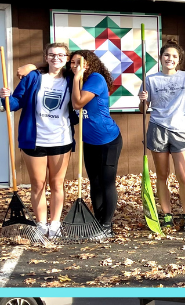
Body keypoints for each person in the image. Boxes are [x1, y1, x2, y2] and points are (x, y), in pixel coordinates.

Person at [0, 43, 76, 239]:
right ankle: (42, 224)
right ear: (46, 57)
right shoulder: (34, 77)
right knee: (38, 184)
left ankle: (55, 223)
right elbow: (17, 102)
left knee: (57, 183)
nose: (56, 58)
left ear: (66, 58)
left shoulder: (71, 79)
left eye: (60, 55)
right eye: (51, 54)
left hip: (61, 138)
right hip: (34, 139)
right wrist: (6, 98)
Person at [139, 39, 185, 231]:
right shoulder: (150, 79)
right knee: (162, 175)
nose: (170, 59)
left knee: (183, 175)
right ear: (160, 57)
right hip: (158, 128)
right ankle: (166, 214)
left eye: (174, 56)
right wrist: (143, 100)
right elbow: (143, 108)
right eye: (167, 55)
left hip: (181, 130)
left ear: (179, 60)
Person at [69, 50, 123, 237]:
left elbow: (78, 103)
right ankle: (99, 223)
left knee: (107, 182)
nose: (75, 66)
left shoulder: (96, 79)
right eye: (72, 63)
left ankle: (107, 226)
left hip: (108, 139)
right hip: (89, 141)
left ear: (89, 64)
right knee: (95, 182)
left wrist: (76, 78)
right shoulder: (76, 80)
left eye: (79, 62)